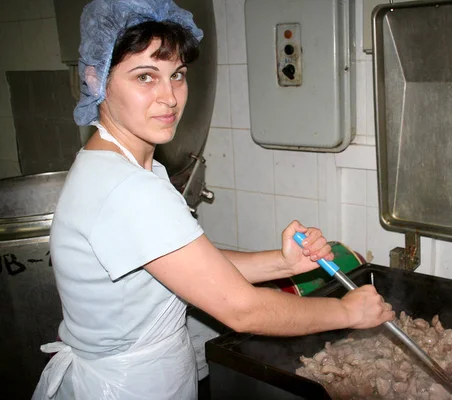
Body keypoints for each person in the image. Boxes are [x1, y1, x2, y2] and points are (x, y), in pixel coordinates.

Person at [32, 0, 395, 399]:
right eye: (145, 77)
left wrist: (281, 261)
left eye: (178, 75)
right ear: (96, 79)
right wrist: (347, 311)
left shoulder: (127, 168)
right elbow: (242, 309)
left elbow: (191, 265)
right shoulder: (127, 190)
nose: (170, 97)